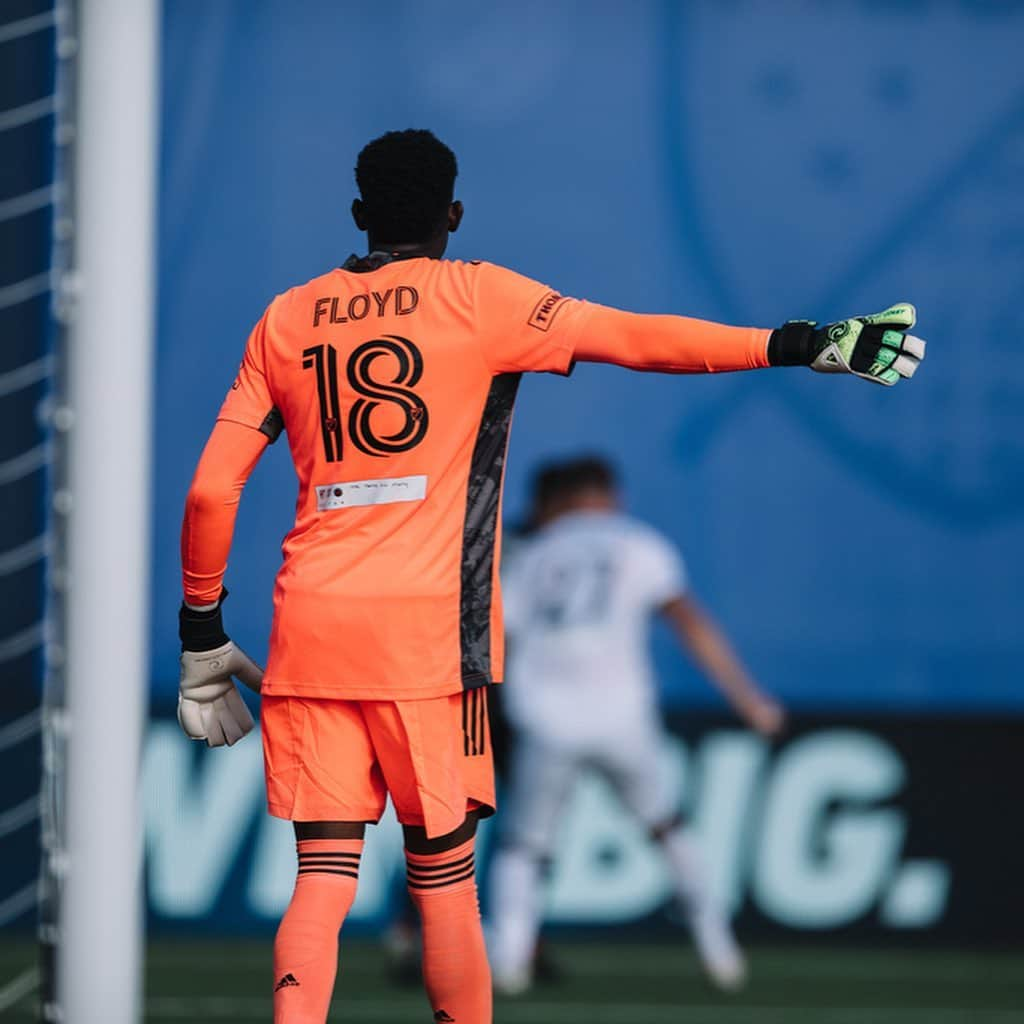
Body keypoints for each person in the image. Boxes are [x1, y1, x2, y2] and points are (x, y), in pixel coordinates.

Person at [175, 128, 925, 1024]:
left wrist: (201, 638)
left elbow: (212, 490)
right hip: (424, 640)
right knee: (444, 882)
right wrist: (803, 342)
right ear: (453, 213)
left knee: (324, 879)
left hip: (313, 630)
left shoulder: (287, 318)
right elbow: (639, 340)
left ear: (358, 214)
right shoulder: (481, 297)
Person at [487, 456, 783, 995]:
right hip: (621, 714)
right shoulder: (636, 543)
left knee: (524, 845)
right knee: (666, 825)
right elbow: (690, 623)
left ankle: (509, 963)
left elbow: (496, 635)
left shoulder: (533, 550)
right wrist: (747, 698)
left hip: (546, 717)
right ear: (607, 494)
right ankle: (719, 950)